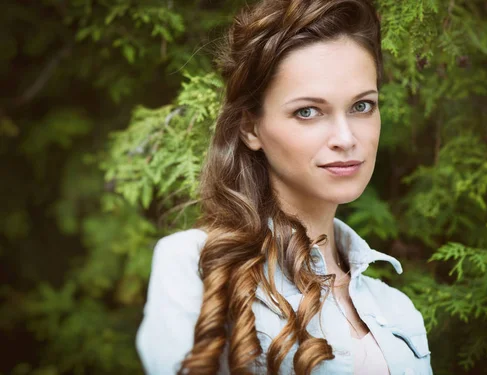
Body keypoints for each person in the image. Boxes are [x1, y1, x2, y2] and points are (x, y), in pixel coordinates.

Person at [136, 0, 432, 374]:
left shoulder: (397, 310)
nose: (346, 137)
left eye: (362, 106)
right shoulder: (195, 265)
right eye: (308, 111)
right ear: (250, 127)